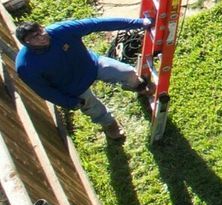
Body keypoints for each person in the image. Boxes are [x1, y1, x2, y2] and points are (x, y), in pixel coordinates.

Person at [13, 17, 151, 141]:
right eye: (35, 37)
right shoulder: (25, 66)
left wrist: (139, 23)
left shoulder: (61, 30)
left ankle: (138, 87)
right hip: (73, 87)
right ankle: (110, 125)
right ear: (26, 43)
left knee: (127, 72)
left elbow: (97, 24)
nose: (42, 37)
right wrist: (69, 102)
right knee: (93, 108)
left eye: (41, 31)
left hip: (91, 65)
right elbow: (44, 91)